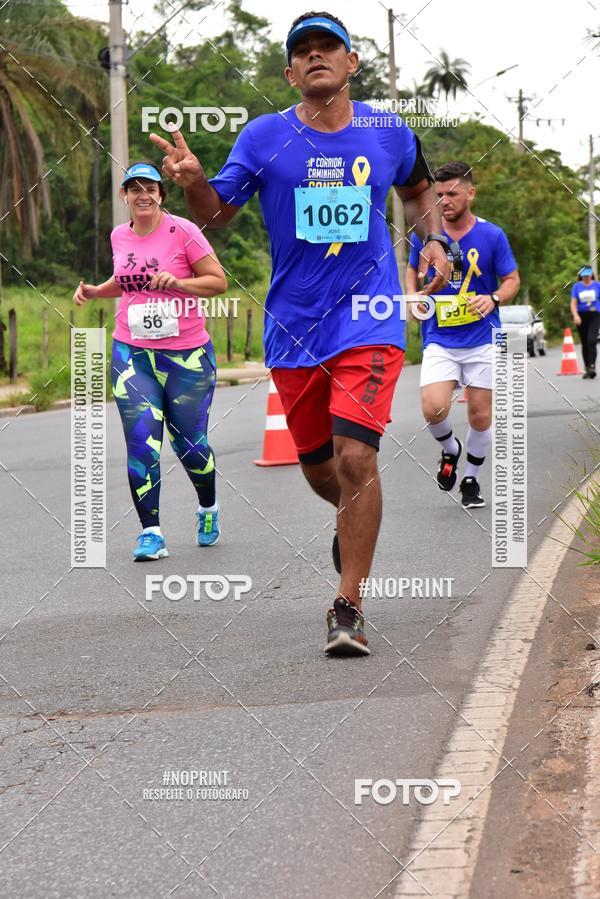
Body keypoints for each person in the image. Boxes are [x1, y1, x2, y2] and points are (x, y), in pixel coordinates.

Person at [150, 11, 449, 655]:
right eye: (303, 51)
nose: (316, 57)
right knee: (320, 471)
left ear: (352, 62)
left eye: (328, 48)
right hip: (293, 323)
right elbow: (218, 215)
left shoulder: (387, 130)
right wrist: (197, 182)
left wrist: (434, 240)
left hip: (369, 316)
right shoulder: (264, 138)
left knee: (356, 457)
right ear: (289, 72)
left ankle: (348, 606)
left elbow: (419, 191)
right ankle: (349, 524)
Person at [73, 161, 227, 560]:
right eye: (134, 188)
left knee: (191, 446)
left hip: (187, 356)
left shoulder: (183, 232)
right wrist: (94, 292)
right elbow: (123, 281)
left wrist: (179, 282)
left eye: (151, 188)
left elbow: (217, 281)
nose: (143, 194)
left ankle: (208, 508)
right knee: (142, 443)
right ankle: (151, 533)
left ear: (161, 194)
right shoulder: (119, 236)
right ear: (124, 195)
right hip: (132, 353)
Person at [407, 161, 520, 509]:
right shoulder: (426, 235)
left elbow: (512, 280)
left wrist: (494, 298)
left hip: (484, 340)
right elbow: (413, 271)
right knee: (433, 408)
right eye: (438, 194)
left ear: (470, 193)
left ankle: (470, 478)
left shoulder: (492, 235)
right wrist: (412, 296)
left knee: (481, 416)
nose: (444, 201)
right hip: (440, 337)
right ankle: (450, 449)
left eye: (452, 193)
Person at [570, 265, 600, 379]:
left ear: (591, 274)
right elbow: (573, 303)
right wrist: (575, 315)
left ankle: (592, 366)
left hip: (594, 315)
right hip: (581, 317)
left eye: (588, 274)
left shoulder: (597, 285)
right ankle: (587, 367)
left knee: (591, 340)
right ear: (581, 275)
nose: (586, 277)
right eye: (584, 275)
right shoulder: (577, 286)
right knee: (584, 343)